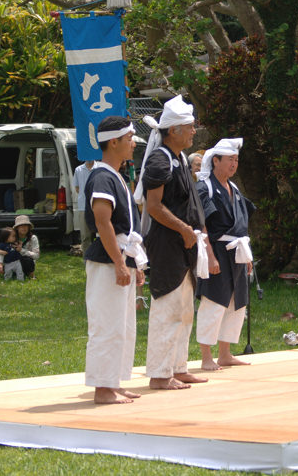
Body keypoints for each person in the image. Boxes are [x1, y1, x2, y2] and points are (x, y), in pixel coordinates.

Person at [134, 96, 213, 390]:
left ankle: (178, 367)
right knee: (168, 307)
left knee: (184, 308)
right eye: (190, 127)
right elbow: (154, 206)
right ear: (174, 130)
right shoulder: (160, 160)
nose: (194, 131)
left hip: (185, 243)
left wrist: (194, 233)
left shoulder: (179, 158)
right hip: (167, 243)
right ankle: (159, 373)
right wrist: (182, 228)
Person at [83, 116, 147, 404]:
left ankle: (114, 382)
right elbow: (102, 221)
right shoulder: (102, 176)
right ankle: (102, 388)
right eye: (129, 138)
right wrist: (119, 263)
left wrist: (133, 264)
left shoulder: (116, 176)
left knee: (124, 326)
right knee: (107, 325)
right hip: (108, 260)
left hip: (122, 256)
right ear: (113, 142)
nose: (133, 144)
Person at [195, 138, 256, 370]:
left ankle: (225, 353)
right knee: (213, 302)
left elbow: (241, 224)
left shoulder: (235, 189)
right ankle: (206, 356)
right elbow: (201, 224)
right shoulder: (204, 188)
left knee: (235, 303)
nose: (234, 164)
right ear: (216, 161)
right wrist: (210, 256)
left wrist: (247, 257)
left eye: (236, 160)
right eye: (230, 159)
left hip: (237, 251)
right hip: (217, 249)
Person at [73, 160, 95, 247]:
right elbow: (77, 188)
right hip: (83, 206)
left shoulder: (100, 168)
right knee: (85, 236)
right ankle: (86, 255)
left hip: (98, 205)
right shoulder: (78, 170)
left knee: (101, 235)